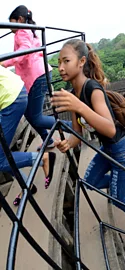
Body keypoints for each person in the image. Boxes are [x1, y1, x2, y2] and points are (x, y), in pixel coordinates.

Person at [51, 39, 125, 239]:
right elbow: (78, 131)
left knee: (116, 198)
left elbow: (110, 129)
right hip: (109, 149)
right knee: (89, 182)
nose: (61, 68)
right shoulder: (74, 94)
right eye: (59, 62)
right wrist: (67, 143)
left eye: (66, 61)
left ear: (81, 62)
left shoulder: (92, 89)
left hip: (122, 149)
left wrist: (78, 106)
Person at [3, 5, 71, 150]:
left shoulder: (21, 31)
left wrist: (5, 62)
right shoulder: (30, 30)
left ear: (19, 19)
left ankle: (73, 128)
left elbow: (24, 51)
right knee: (29, 113)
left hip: (37, 76)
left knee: (36, 117)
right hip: (40, 74)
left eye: (12, 23)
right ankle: (48, 139)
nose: (10, 28)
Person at [0, 66, 56, 206]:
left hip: (10, 99)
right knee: (2, 153)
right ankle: (27, 185)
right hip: (15, 92)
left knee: (0, 159)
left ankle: (43, 158)